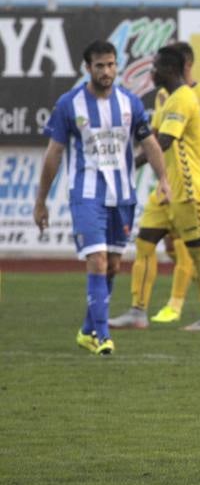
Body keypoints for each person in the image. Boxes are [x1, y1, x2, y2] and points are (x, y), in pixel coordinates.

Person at [33, 40, 167, 356]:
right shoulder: (69, 104)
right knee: (97, 259)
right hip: (86, 193)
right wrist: (41, 201)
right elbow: (53, 155)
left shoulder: (130, 103)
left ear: (116, 65)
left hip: (122, 193)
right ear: (87, 68)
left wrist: (164, 180)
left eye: (110, 65)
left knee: (113, 265)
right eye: (99, 66)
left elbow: (149, 144)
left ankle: (87, 330)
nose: (106, 71)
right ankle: (103, 335)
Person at [110, 41, 200, 329]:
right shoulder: (167, 98)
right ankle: (138, 311)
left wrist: (127, 166)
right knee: (145, 243)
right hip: (166, 189)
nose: (152, 72)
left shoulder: (185, 99)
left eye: (157, 67)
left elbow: (164, 142)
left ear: (172, 69)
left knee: (198, 250)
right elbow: (152, 136)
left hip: (188, 188)